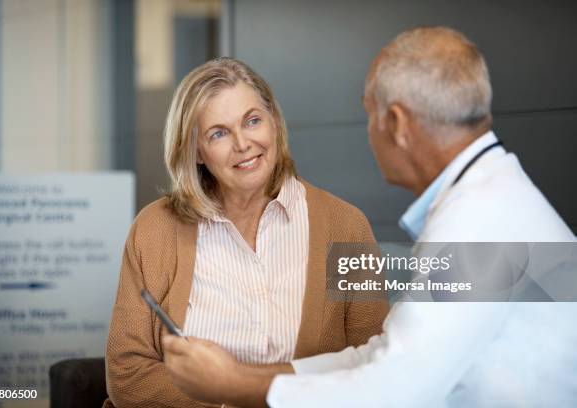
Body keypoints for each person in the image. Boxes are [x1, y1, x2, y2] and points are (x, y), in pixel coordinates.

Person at [161, 27, 577, 407]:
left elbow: (393, 391)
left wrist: (233, 386)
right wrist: (242, 375)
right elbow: (382, 355)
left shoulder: (481, 218)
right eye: (218, 132)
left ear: (395, 123)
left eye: (369, 114)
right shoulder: (486, 199)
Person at [104, 58, 389, 407]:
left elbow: (377, 365)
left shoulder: (345, 227)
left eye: (252, 121)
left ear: (274, 123)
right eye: (219, 133)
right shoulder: (155, 230)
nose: (243, 143)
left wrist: (239, 388)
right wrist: (230, 399)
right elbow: (127, 376)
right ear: (195, 151)